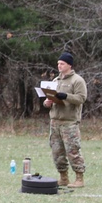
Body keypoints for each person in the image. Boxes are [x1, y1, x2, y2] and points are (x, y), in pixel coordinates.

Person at [43, 51, 87, 188]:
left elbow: (81, 98)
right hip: (55, 121)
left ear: (69, 65)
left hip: (69, 122)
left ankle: (79, 178)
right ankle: (63, 177)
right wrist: (47, 103)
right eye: (58, 63)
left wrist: (66, 96)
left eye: (62, 63)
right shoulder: (56, 81)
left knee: (73, 150)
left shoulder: (77, 80)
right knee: (57, 152)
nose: (59, 66)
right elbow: (48, 100)